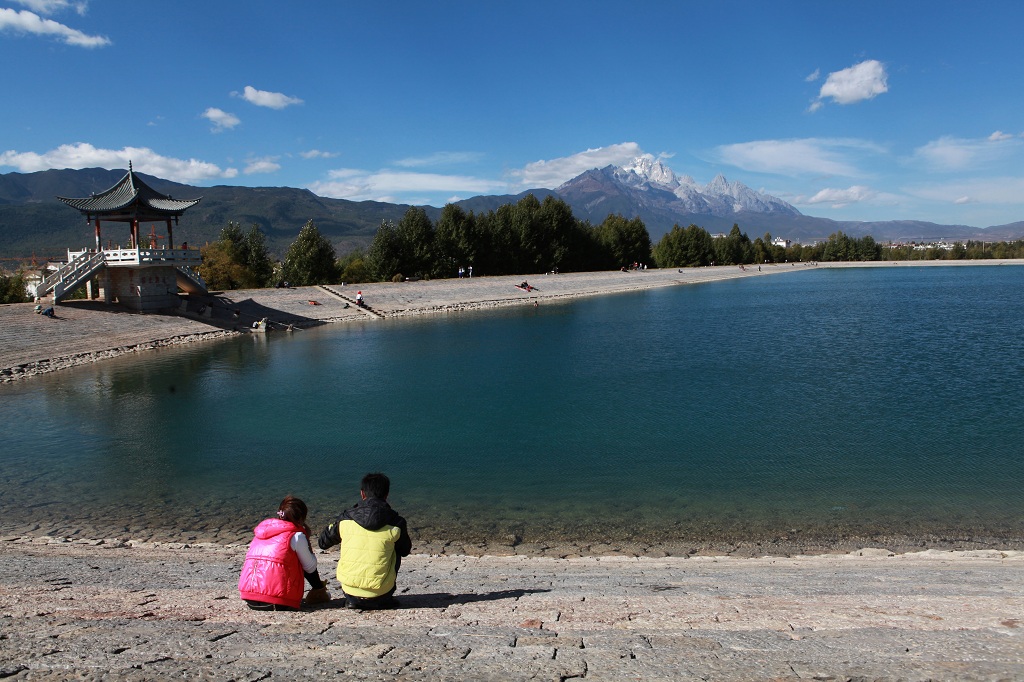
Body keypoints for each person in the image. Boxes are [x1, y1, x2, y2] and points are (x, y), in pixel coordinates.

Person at [318, 473, 411, 610]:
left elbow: (322, 543)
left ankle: (354, 600)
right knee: (395, 548)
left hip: (349, 590)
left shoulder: (346, 519)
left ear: (362, 494)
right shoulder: (396, 522)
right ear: (387, 495)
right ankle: (383, 598)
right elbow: (405, 551)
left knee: (350, 538)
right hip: (381, 592)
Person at [238, 496, 330, 611]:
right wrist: (307, 539)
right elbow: (310, 567)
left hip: (249, 598)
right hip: (277, 601)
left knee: (291, 554)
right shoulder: (296, 536)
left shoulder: (262, 532)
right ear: (301, 518)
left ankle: (319, 592)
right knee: (301, 558)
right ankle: (319, 593)